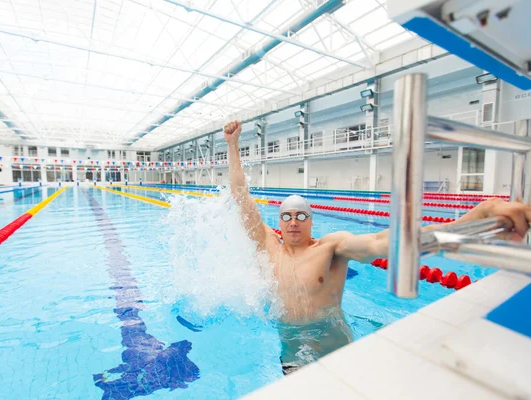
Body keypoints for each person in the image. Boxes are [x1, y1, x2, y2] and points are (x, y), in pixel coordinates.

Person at [223, 120, 531, 374]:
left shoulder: (330, 248)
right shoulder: (267, 245)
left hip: (336, 353)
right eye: (287, 216)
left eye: (301, 215)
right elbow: (240, 196)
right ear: (278, 219)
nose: (293, 222)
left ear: (311, 221)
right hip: (291, 355)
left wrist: (471, 221)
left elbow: (382, 242)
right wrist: (232, 145)